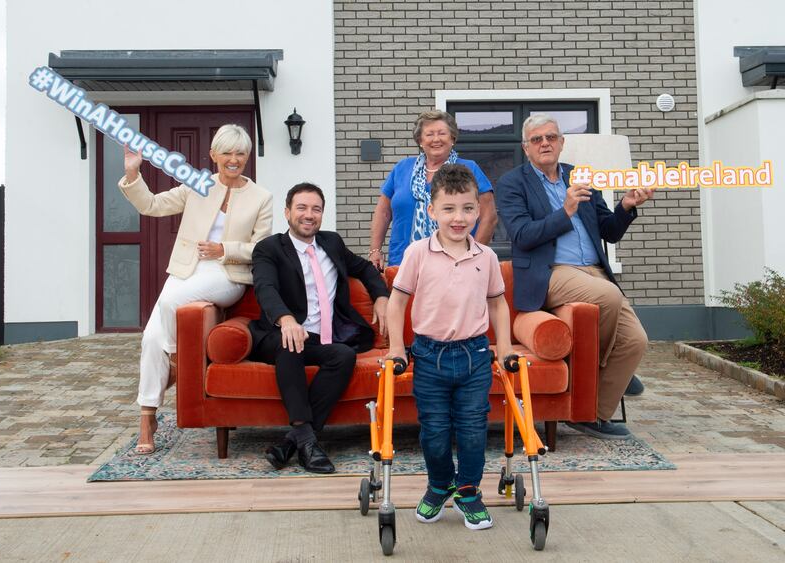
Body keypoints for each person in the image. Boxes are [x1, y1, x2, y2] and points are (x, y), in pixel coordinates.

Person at [496, 113, 653, 440]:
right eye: (537, 139)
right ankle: (600, 365)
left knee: (637, 341)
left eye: (551, 137)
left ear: (562, 142)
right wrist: (564, 211)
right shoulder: (513, 183)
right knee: (609, 296)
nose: (545, 144)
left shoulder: (579, 176)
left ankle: (591, 415)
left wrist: (625, 206)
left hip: (595, 271)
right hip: (551, 272)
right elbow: (523, 236)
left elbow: (608, 231)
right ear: (526, 148)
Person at [119, 124, 273, 454]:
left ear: (247, 157)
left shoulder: (262, 197)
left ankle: (179, 360)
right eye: (227, 153)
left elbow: (261, 248)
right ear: (213, 155)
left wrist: (225, 249)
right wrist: (134, 175)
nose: (234, 159)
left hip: (228, 274)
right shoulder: (198, 185)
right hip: (186, 269)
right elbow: (152, 205)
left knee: (171, 302)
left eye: (240, 153)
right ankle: (147, 417)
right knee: (150, 338)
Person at [387, 164, 513, 530]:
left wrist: (503, 347)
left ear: (478, 210)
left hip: (474, 355)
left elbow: (498, 303)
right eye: (449, 209)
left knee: (474, 429)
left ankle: (469, 491)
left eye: (467, 209)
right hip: (429, 355)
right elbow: (396, 303)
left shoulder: (486, 257)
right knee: (435, 431)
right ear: (432, 211)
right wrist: (398, 347)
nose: (459, 218)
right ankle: (439, 485)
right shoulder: (417, 253)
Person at [249, 183, 389, 474]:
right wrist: (286, 319)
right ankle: (308, 444)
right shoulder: (269, 248)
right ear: (287, 212)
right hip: (278, 335)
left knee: (344, 356)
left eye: (316, 209)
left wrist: (382, 297)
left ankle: (292, 442)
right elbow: (265, 287)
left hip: (322, 338)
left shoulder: (332, 242)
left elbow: (363, 268)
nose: (309, 215)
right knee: (291, 344)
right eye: (301, 208)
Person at [368, 110, 498, 269]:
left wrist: (473, 254)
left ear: (452, 139)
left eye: (442, 133)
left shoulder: (469, 168)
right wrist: (375, 250)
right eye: (429, 134)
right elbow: (383, 212)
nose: (436, 139)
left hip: (457, 264)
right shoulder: (402, 168)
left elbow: (489, 216)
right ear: (420, 140)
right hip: (403, 263)